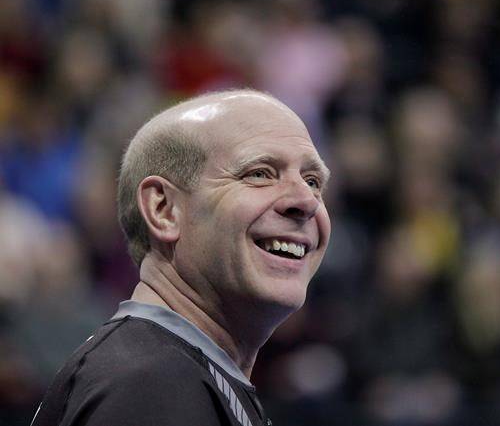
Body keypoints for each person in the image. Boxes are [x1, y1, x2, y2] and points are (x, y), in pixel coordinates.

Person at [31, 89, 332, 426]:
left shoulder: (173, 373)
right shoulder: (149, 386)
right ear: (163, 209)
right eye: (259, 173)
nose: (306, 201)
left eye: (312, 181)